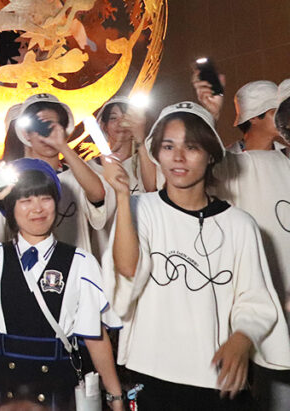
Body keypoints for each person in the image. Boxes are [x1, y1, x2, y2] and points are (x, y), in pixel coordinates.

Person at [102, 101, 290, 408]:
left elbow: (255, 299)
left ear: (211, 154)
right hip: (153, 373)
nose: (178, 157)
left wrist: (242, 338)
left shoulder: (239, 224)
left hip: (219, 380)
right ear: (156, 153)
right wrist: (123, 197)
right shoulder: (141, 209)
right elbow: (127, 271)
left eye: (191, 147)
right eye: (167, 146)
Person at [0, 158, 124, 410]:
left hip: (58, 381)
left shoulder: (81, 261)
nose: (37, 208)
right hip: (4, 380)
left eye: (45, 198)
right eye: (26, 200)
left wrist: (115, 397)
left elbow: (95, 336)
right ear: (10, 208)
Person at [194, 76, 290, 408]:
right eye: (276, 112)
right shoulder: (232, 165)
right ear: (254, 118)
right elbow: (205, 163)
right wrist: (209, 114)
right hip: (255, 302)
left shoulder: (286, 160)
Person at [0, 94, 107, 253]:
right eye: (40, 127)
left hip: (72, 269)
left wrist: (62, 146)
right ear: (25, 133)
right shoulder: (6, 176)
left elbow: (98, 194)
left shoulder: (76, 176)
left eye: (54, 127)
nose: (47, 134)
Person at [86, 97, 155, 262]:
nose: (120, 123)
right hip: (104, 250)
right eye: (113, 118)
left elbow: (151, 188)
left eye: (126, 117)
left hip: (144, 250)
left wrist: (140, 138)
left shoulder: (147, 161)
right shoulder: (91, 168)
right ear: (103, 126)